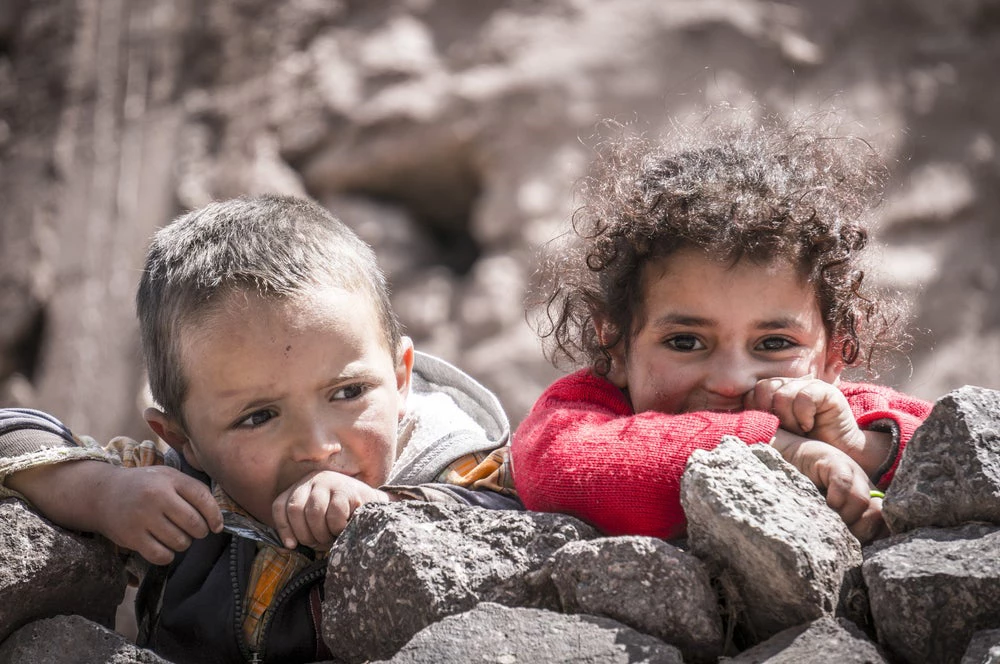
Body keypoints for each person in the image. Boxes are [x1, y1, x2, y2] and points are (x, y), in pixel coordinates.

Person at [0, 194, 518, 664]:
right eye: (258, 417)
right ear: (184, 439)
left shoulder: (457, 467)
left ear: (401, 377)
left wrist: (390, 520)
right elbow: (12, 434)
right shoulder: (186, 495)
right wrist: (103, 494)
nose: (318, 447)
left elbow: (514, 535)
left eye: (348, 392)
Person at [511, 114, 932, 545]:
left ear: (835, 353)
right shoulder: (587, 411)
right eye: (685, 342)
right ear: (615, 343)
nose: (731, 381)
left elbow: (965, 445)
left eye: (773, 343)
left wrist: (863, 448)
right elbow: (556, 468)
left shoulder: (838, 415)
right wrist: (781, 450)